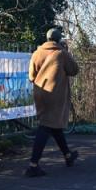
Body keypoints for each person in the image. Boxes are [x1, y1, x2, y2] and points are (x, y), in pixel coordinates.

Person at [25, 26, 79, 177]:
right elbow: (74, 70)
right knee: (46, 127)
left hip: (40, 93)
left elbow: (31, 76)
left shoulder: (36, 53)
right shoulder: (61, 53)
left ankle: (68, 156)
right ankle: (33, 165)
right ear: (58, 39)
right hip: (55, 95)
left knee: (54, 126)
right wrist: (66, 52)